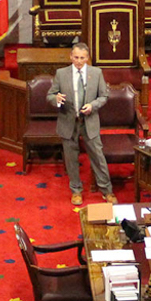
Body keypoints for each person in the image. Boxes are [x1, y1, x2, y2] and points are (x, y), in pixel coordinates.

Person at [46, 42, 113, 206]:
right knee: (71, 159)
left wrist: (93, 105)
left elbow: (104, 96)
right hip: (68, 121)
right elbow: (50, 95)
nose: (79, 61)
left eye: (82, 58)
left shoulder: (96, 73)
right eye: (76, 57)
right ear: (71, 56)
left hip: (89, 121)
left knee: (98, 157)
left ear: (87, 58)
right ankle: (76, 190)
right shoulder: (61, 74)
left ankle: (107, 190)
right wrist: (56, 99)